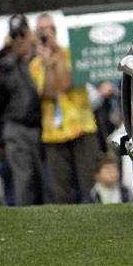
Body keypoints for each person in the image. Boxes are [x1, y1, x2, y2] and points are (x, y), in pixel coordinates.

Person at [29, 13, 103, 204]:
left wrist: (57, 53)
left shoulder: (71, 54)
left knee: (90, 183)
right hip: (54, 131)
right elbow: (48, 92)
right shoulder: (36, 65)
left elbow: (66, 83)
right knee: (62, 189)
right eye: (42, 31)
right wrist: (47, 63)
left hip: (81, 125)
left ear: (56, 31)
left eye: (50, 29)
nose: (47, 34)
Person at [0, 14, 47, 206]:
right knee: (24, 182)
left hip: (42, 128)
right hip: (16, 127)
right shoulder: (6, 66)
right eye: (14, 35)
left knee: (46, 182)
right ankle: (27, 227)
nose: (19, 39)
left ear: (30, 33)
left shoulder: (41, 59)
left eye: (22, 33)